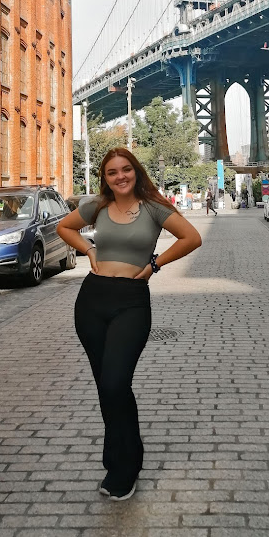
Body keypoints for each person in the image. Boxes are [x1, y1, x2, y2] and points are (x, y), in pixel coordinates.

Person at [57, 147, 202, 501]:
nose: (120, 176)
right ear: (104, 178)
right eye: (111, 172)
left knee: (116, 382)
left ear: (135, 171)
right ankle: (117, 459)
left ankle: (128, 462)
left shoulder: (153, 206)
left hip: (132, 302)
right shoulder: (97, 206)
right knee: (106, 387)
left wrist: (154, 265)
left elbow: (191, 237)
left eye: (125, 170)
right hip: (92, 300)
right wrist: (89, 251)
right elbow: (64, 226)